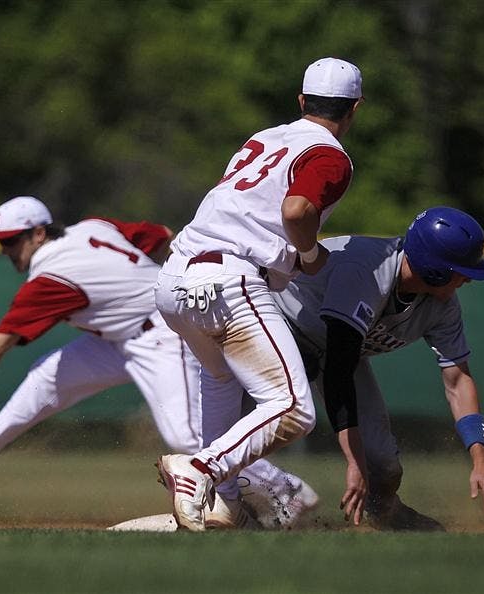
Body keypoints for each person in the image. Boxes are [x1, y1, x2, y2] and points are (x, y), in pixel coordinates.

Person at [0, 195, 319, 529]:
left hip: (161, 334)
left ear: (39, 233)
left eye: (11, 241)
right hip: (116, 339)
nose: (6, 250)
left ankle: (287, 491)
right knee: (45, 378)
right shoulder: (93, 228)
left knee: (185, 435)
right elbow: (161, 236)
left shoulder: (51, 276)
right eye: (1, 242)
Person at [153, 57, 366, 531]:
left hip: (173, 280)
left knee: (221, 382)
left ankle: (223, 500)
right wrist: (309, 255)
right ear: (355, 109)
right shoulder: (331, 154)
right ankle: (201, 469)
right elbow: (295, 210)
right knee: (293, 407)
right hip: (229, 279)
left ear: (301, 101)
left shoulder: (264, 138)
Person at [272, 206, 484, 530]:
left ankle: (384, 514)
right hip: (279, 327)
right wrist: (355, 462)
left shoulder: (443, 306)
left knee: (384, 466)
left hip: (337, 351)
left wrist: (481, 460)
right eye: (461, 270)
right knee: (264, 423)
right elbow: (339, 370)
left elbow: (457, 380)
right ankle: (231, 499)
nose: (468, 278)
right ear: (435, 269)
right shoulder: (367, 272)